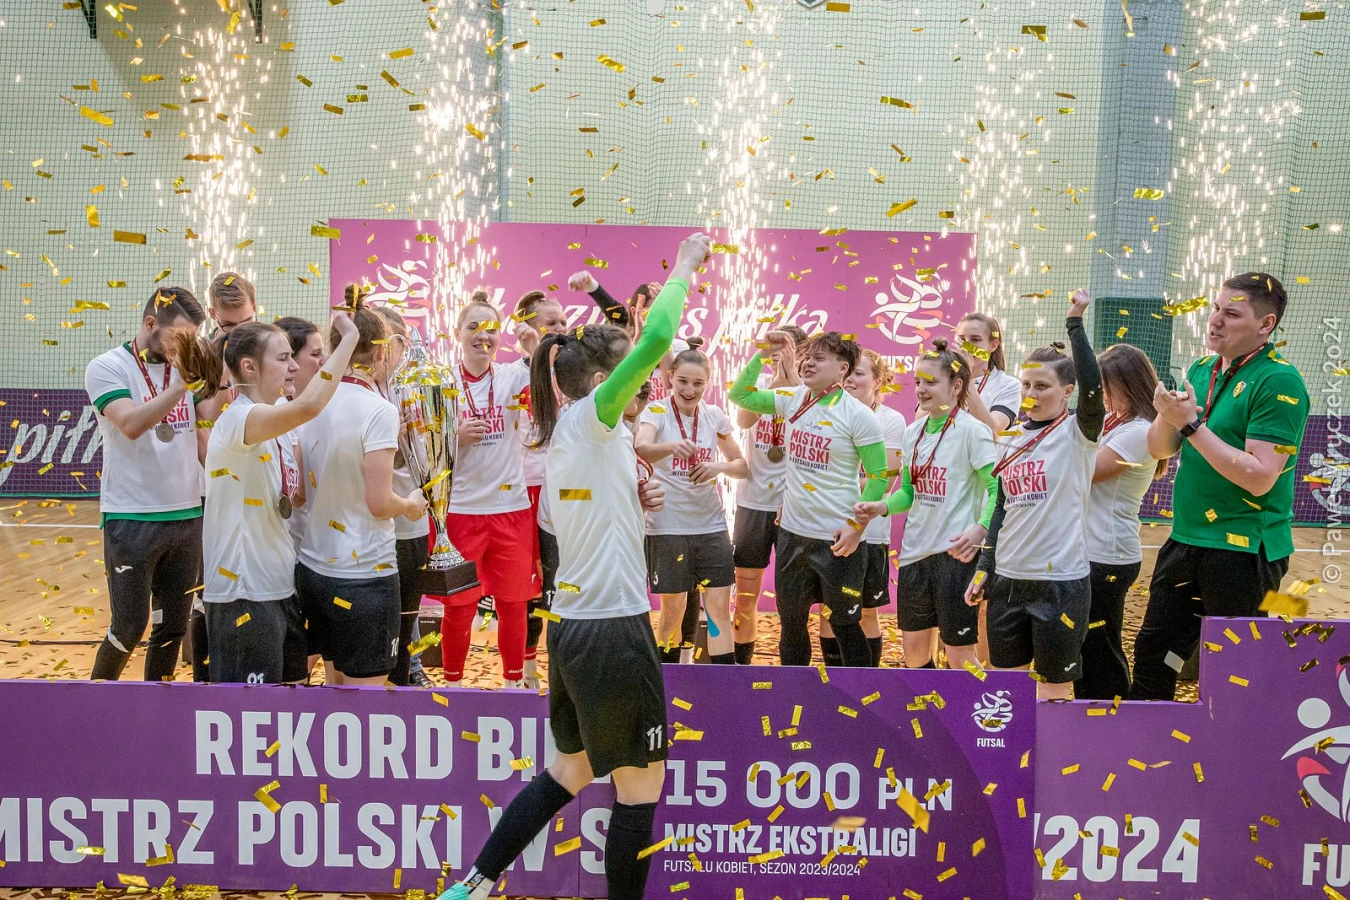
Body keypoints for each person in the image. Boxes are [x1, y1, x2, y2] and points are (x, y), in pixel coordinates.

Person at [439, 232, 712, 900]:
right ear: (599, 383)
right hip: (613, 630)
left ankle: (472, 884)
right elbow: (657, 339)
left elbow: (575, 521)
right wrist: (685, 265)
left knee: (570, 771)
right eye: (631, 374)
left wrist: (633, 498)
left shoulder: (576, 435)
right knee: (640, 788)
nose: (646, 380)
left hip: (571, 629)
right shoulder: (593, 418)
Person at [1130, 272, 1309, 701]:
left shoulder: (1279, 381)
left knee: (1234, 669)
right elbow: (1160, 449)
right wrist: (1167, 416)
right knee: (1154, 654)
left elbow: (1260, 477)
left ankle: (1234, 743)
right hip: (1186, 538)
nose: (1215, 320)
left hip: (1244, 549)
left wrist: (1191, 425)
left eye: (1231, 313)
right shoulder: (1201, 369)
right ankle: (1150, 741)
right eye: (1215, 308)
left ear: (1265, 325)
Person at [192, 314, 359, 683]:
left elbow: (293, 499)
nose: (294, 366)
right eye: (283, 358)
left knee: (291, 698)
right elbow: (308, 406)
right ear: (249, 366)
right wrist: (349, 339)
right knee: (250, 712)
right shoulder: (238, 419)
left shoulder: (280, 426)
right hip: (243, 593)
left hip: (281, 587)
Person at [965, 289, 1103, 701]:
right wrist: (985, 567)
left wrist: (1075, 324)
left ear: (1067, 392)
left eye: (1043, 386)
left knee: (1053, 692)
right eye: (1026, 384)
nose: (1031, 393)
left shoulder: (1078, 433)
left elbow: (1094, 389)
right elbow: (1002, 508)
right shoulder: (1008, 438)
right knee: (1007, 692)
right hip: (1008, 581)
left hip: (1060, 583)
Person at [729, 330, 890, 668]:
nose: (808, 363)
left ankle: (862, 695)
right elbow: (740, 394)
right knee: (792, 625)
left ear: (843, 369)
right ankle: (795, 693)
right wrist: (762, 354)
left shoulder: (859, 415)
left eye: (820, 358)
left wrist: (856, 527)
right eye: (806, 357)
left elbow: (878, 477)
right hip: (792, 535)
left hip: (837, 540)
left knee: (845, 625)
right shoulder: (793, 397)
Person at [295, 286, 428, 687]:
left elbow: (299, 492)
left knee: (334, 686)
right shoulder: (379, 410)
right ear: (382, 353)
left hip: (313, 570)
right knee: (365, 701)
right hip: (364, 576)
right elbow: (379, 503)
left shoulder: (310, 402)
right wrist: (410, 504)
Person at [84, 287, 208, 682]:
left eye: (192, 338)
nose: (185, 346)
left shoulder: (183, 367)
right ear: (151, 323)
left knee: (172, 626)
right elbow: (131, 424)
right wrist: (180, 387)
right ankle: (96, 702)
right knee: (129, 626)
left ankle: (158, 704)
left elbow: (205, 427)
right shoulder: (107, 366)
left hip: (186, 513)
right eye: (179, 336)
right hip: (132, 516)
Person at [854, 340, 998, 671]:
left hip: (955, 557)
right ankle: (932, 707)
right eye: (918, 381)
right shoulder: (913, 432)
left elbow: (996, 489)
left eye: (931, 381)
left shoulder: (973, 432)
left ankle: (974, 705)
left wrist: (980, 530)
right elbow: (908, 492)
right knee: (915, 657)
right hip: (914, 556)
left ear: (957, 386)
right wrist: (881, 507)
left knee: (960, 657)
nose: (921, 389)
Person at [439, 292, 540, 689]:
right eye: (474, 327)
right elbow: (420, 447)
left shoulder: (515, 375)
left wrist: (534, 350)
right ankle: (452, 688)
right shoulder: (442, 382)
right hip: (461, 511)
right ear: (457, 333)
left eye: (491, 329)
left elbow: (549, 401)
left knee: (514, 604)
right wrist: (454, 435)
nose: (483, 336)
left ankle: (513, 686)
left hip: (511, 510)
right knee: (459, 607)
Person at [636, 337, 748, 665]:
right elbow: (642, 448)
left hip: (711, 526)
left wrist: (718, 467)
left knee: (718, 609)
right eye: (683, 381)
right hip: (667, 527)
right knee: (673, 609)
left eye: (698, 383)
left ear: (707, 383)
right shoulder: (656, 411)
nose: (689, 389)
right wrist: (671, 447)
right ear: (670, 377)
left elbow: (741, 466)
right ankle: (667, 677)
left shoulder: (714, 416)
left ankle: (725, 679)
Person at [1076, 343, 1165, 700]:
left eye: (1105, 384)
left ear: (1128, 383)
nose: (1100, 392)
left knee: (1101, 647)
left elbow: (1086, 471)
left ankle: (1112, 716)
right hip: (1092, 550)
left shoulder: (1139, 431)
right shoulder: (1117, 422)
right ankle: (1092, 711)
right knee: (1087, 643)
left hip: (1107, 554)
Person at [822, 349, 906, 667]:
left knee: (867, 612)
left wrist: (835, 482)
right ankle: (833, 681)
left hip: (871, 535)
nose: (850, 379)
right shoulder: (827, 412)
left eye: (859, 373)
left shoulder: (891, 421)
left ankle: (868, 682)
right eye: (848, 372)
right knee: (830, 611)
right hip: (829, 528)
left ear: (878, 381)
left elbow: (884, 482)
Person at [730, 325, 807, 665]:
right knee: (745, 597)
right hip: (753, 503)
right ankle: (740, 667)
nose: (778, 356)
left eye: (786, 350)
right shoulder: (759, 384)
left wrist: (792, 380)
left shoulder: (811, 390)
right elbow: (744, 419)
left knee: (794, 601)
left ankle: (793, 672)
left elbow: (810, 421)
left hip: (796, 506)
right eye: (773, 350)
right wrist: (774, 381)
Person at [371, 305, 432, 688]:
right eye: (391, 343)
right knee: (383, 616)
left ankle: (406, 674)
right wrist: (393, 441)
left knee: (409, 612)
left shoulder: (414, 386)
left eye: (401, 343)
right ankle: (382, 685)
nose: (395, 352)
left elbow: (428, 454)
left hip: (414, 521)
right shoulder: (366, 395)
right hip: (380, 522)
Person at [511, 290, 569, 689]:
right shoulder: (510, 375)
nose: (561, 329)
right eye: (552, 323)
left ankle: (561, 669)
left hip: (562, 494)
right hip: (522, 494)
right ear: (526, 330)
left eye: (564, 322)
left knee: (558, 581)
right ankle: (526, 671)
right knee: (525, 587)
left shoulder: (572, 374)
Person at [956, 312, 1022, 434]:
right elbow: (921, 422)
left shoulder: (1009, 385)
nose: (966, 347)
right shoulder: (945, 379)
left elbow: (993, 430)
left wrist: (966, 378)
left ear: (993, 345)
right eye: (962, 340)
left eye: (975, 340)